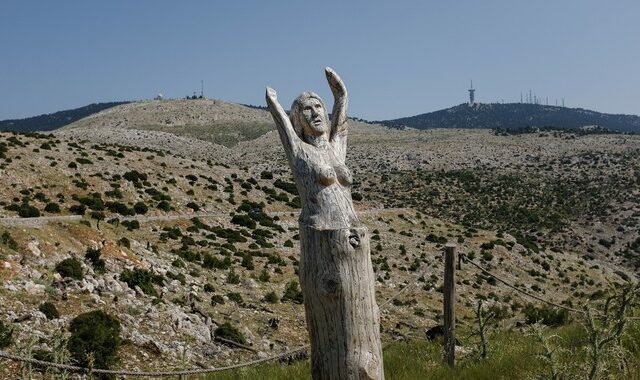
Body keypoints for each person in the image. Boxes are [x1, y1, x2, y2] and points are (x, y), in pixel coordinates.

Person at [265, 67, 358, 229]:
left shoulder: (335, 149)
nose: (315, 113)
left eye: (318, 106)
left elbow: (341, 120)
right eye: (308, 109)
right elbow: (284, 126)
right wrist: (274, 103)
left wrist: (341, 94)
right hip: (321, 232)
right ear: (298, 119)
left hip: (354, 230)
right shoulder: (300, 151)